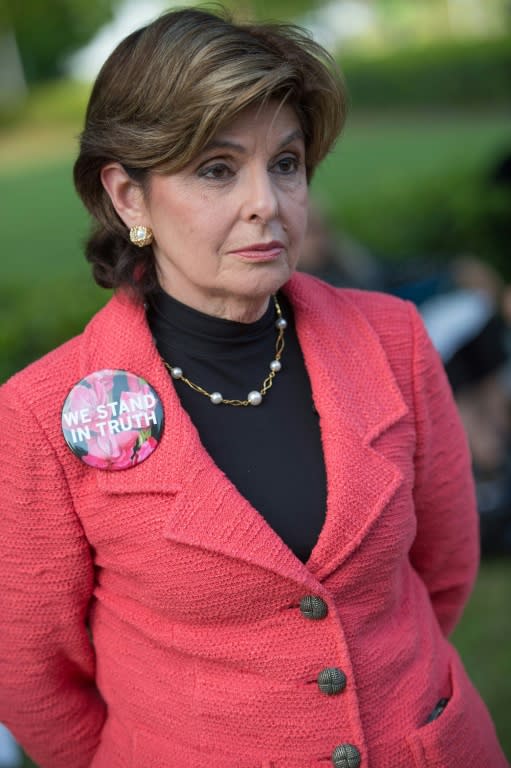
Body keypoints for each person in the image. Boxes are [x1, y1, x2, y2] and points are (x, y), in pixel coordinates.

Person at [0, 8, 507, 768]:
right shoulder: (40, 415)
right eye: (216, 168)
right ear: (128, 197)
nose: (265, 202)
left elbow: (441, 567)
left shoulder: (393, 339)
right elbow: (33, 678)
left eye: (286, 163)